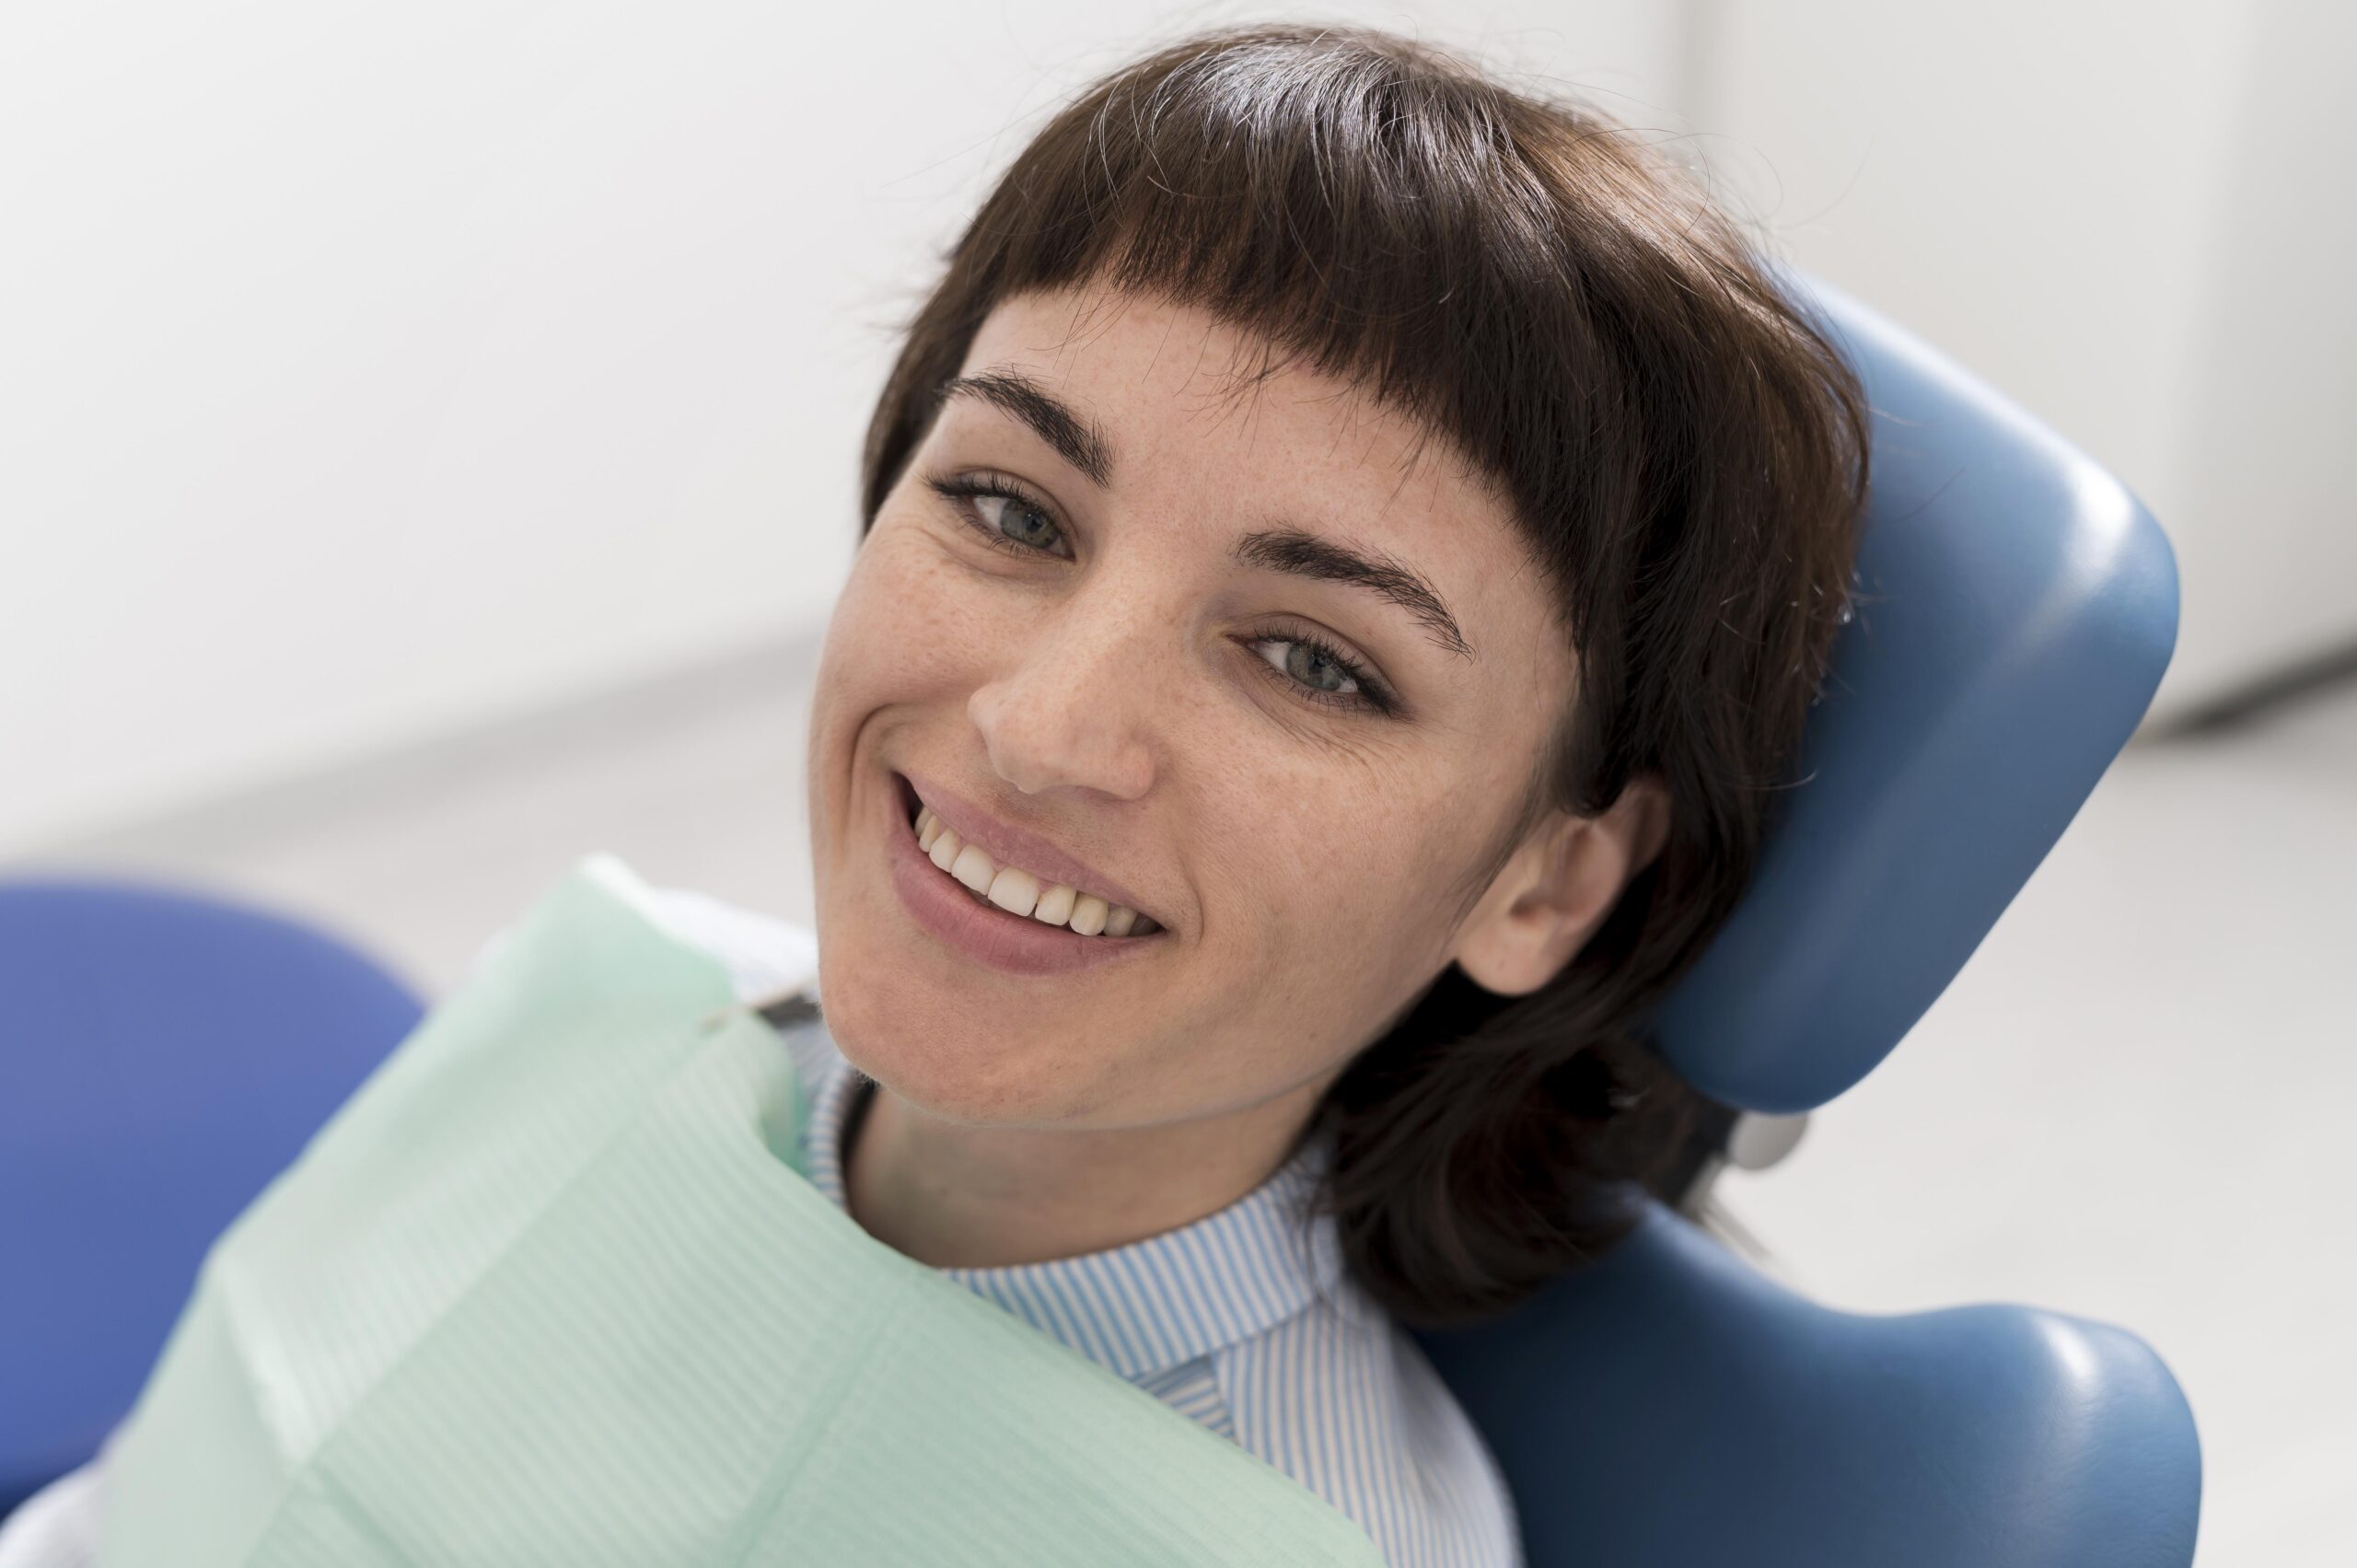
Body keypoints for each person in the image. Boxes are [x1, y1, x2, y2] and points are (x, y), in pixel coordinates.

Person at [0, 21, 1870, 1567]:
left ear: (1543, 881)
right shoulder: (634, 1007)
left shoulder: (1254, 1534)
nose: (1040, 728)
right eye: (1007, 507)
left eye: (1311, 658)